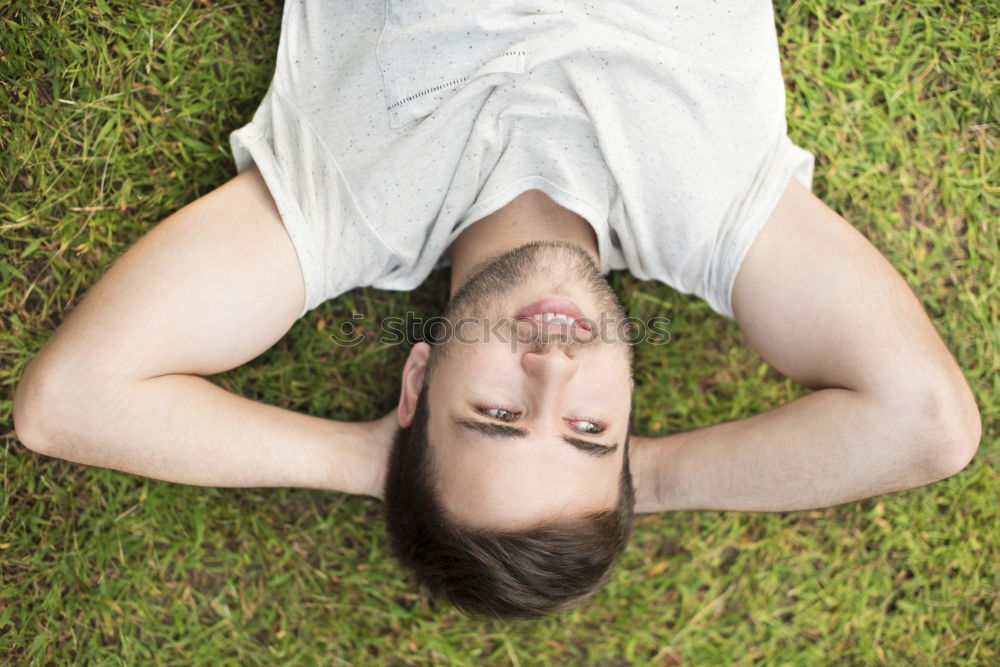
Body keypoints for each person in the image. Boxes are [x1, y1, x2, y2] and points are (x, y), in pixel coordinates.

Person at [12, 1, 980, 619]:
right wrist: (650, 478)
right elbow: (928, 427)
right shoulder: (714, 214)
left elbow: (70, 404)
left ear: (418, 379)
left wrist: (375, 462)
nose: (554, 371)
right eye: (591, 429)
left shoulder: (341, 205)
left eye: (497, 416)